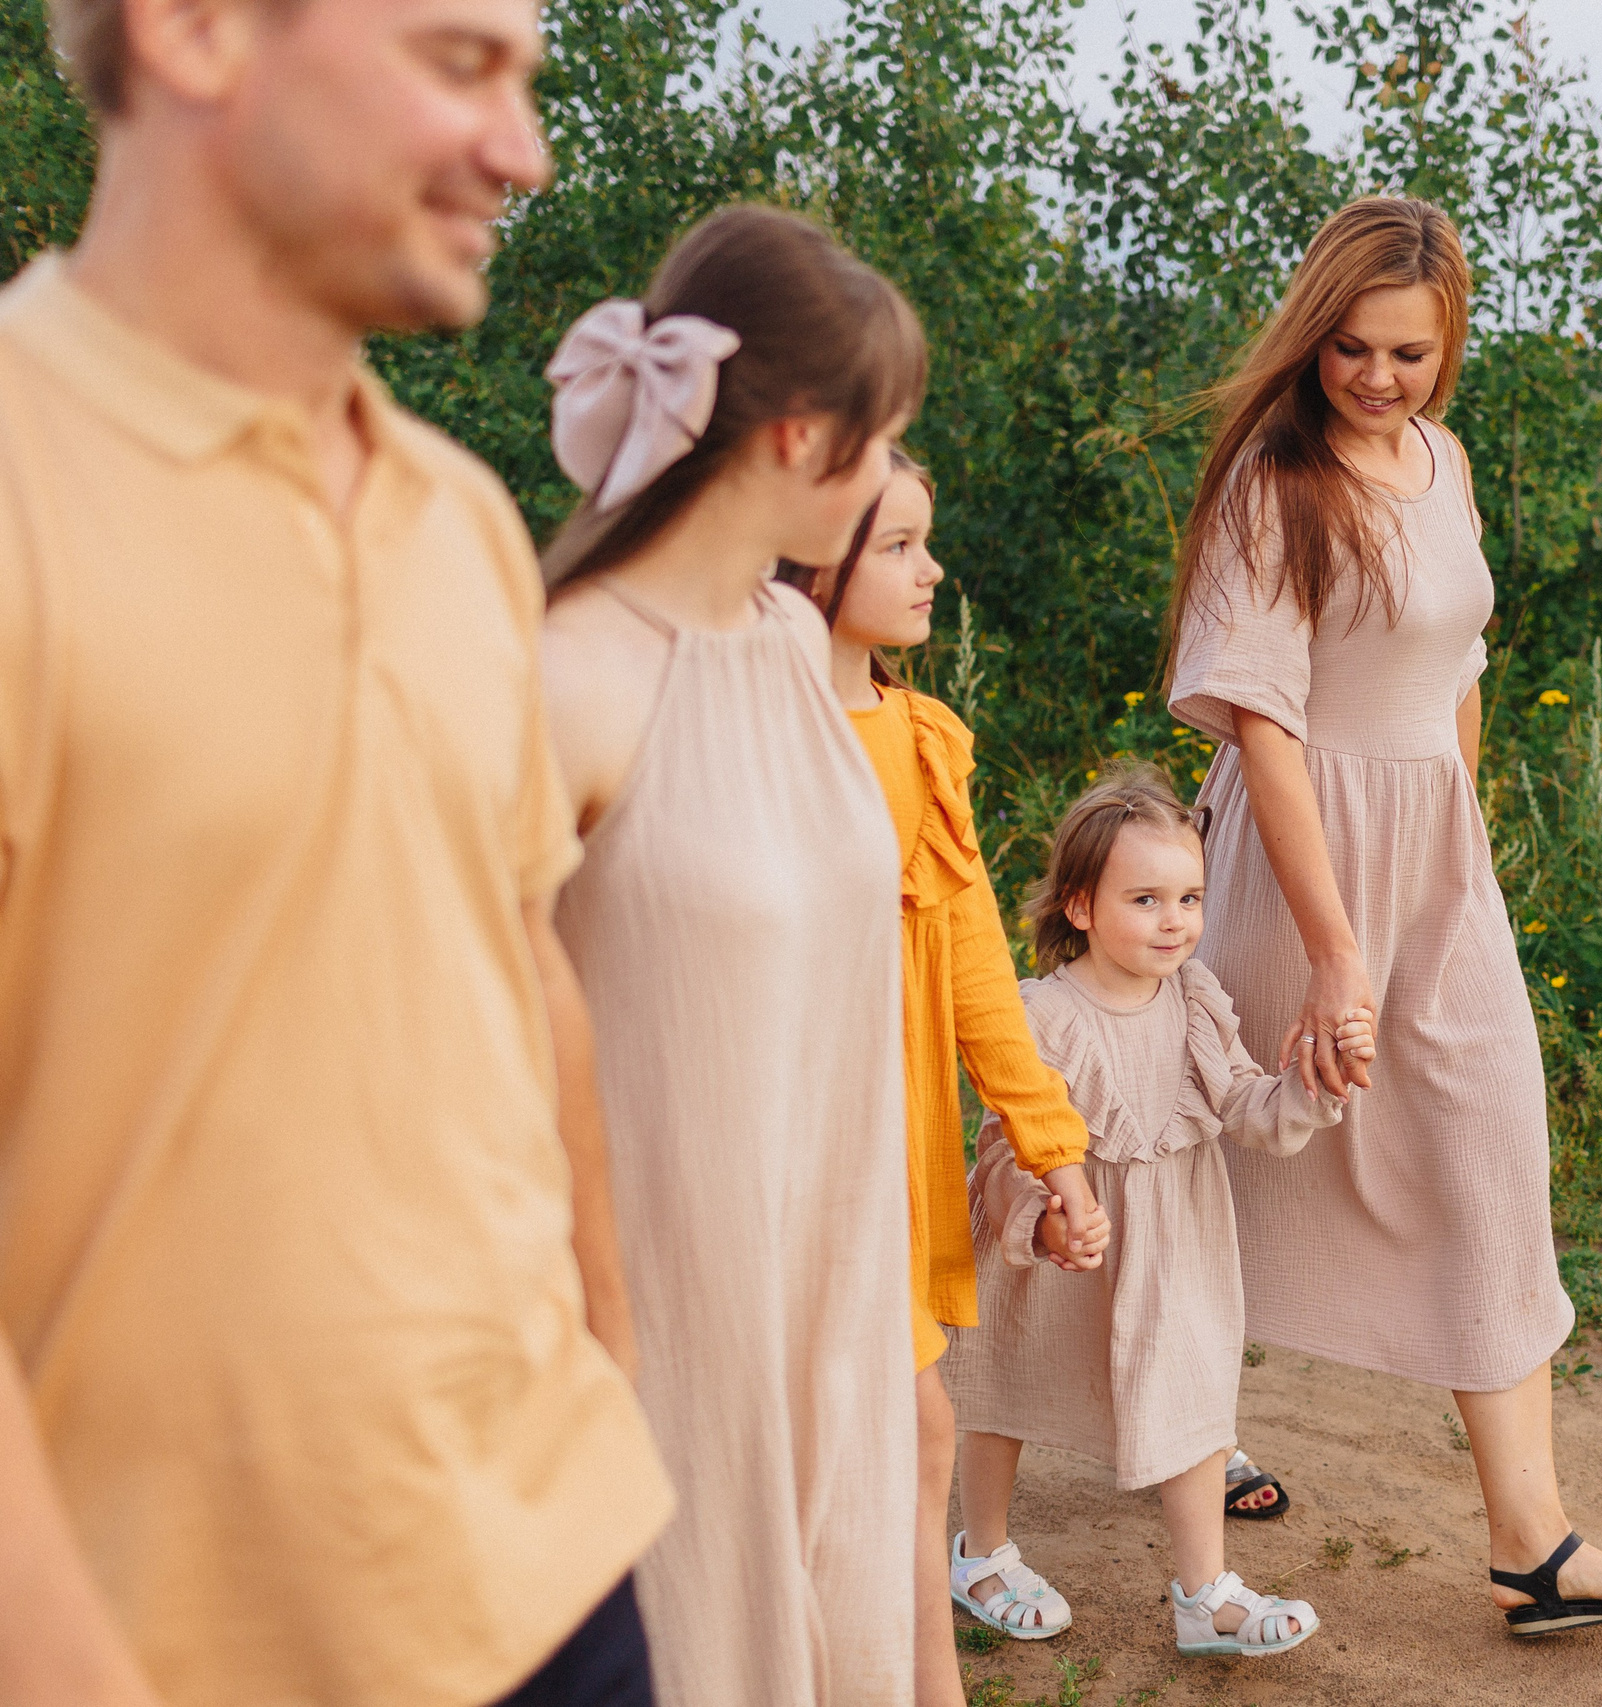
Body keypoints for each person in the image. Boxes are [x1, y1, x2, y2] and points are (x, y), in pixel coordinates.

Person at [0, 0, 675, 1700]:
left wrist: (613, 1387)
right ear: (200, 33)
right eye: (461, 64)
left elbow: (523, 973)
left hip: (552, 1577)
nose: (519, 150)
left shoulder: (455, 514)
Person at [1165, 195, 1602, 1636]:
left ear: (1450, 339)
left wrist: (1462, 834)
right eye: (1348, 348)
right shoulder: (1273, 484)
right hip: (1301, 854)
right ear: (1311, 337)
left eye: (1407, 351)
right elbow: (1266, 724)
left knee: (1488, 1145)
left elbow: (1463, 656)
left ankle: (1532, 1543)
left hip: (1435, 850)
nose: (1376, 378)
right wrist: (1334, 940)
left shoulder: (1441, 457)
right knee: (1225, 1148)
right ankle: (1177, 1424)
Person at [537, 205, 926, 1707]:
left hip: (828, 1252)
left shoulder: (788, 645)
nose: (892, 475)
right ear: (794, 436)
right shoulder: (573, 671)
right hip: (664, 1293)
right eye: (882, 437)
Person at [781, 450, 1110, 1707]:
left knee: (914, 1429)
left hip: (890, 1142)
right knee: (823, 1443)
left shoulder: (923, 739)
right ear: (808, 555)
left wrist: (1054, 1151)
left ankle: (925, 1687)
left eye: (927, 540)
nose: (933, 570)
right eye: (899, 547)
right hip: (778, 1138)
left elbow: (975, 971)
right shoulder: (739, 726)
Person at [944, 769, 1365, 1659]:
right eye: (1146, 898)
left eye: (1190, 897)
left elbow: (1251, 1107)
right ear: (1081, 905)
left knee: (1194, 1394)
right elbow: (998, 1145)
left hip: (1178, 1242)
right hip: (1065, 1249)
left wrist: (1313, 1083)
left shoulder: (1195, 1000)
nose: (1175, 919)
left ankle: (1205, 1597)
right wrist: (1047, 1217)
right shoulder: (1042, 1014)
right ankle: (980, 1552)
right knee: (1005, 1386)